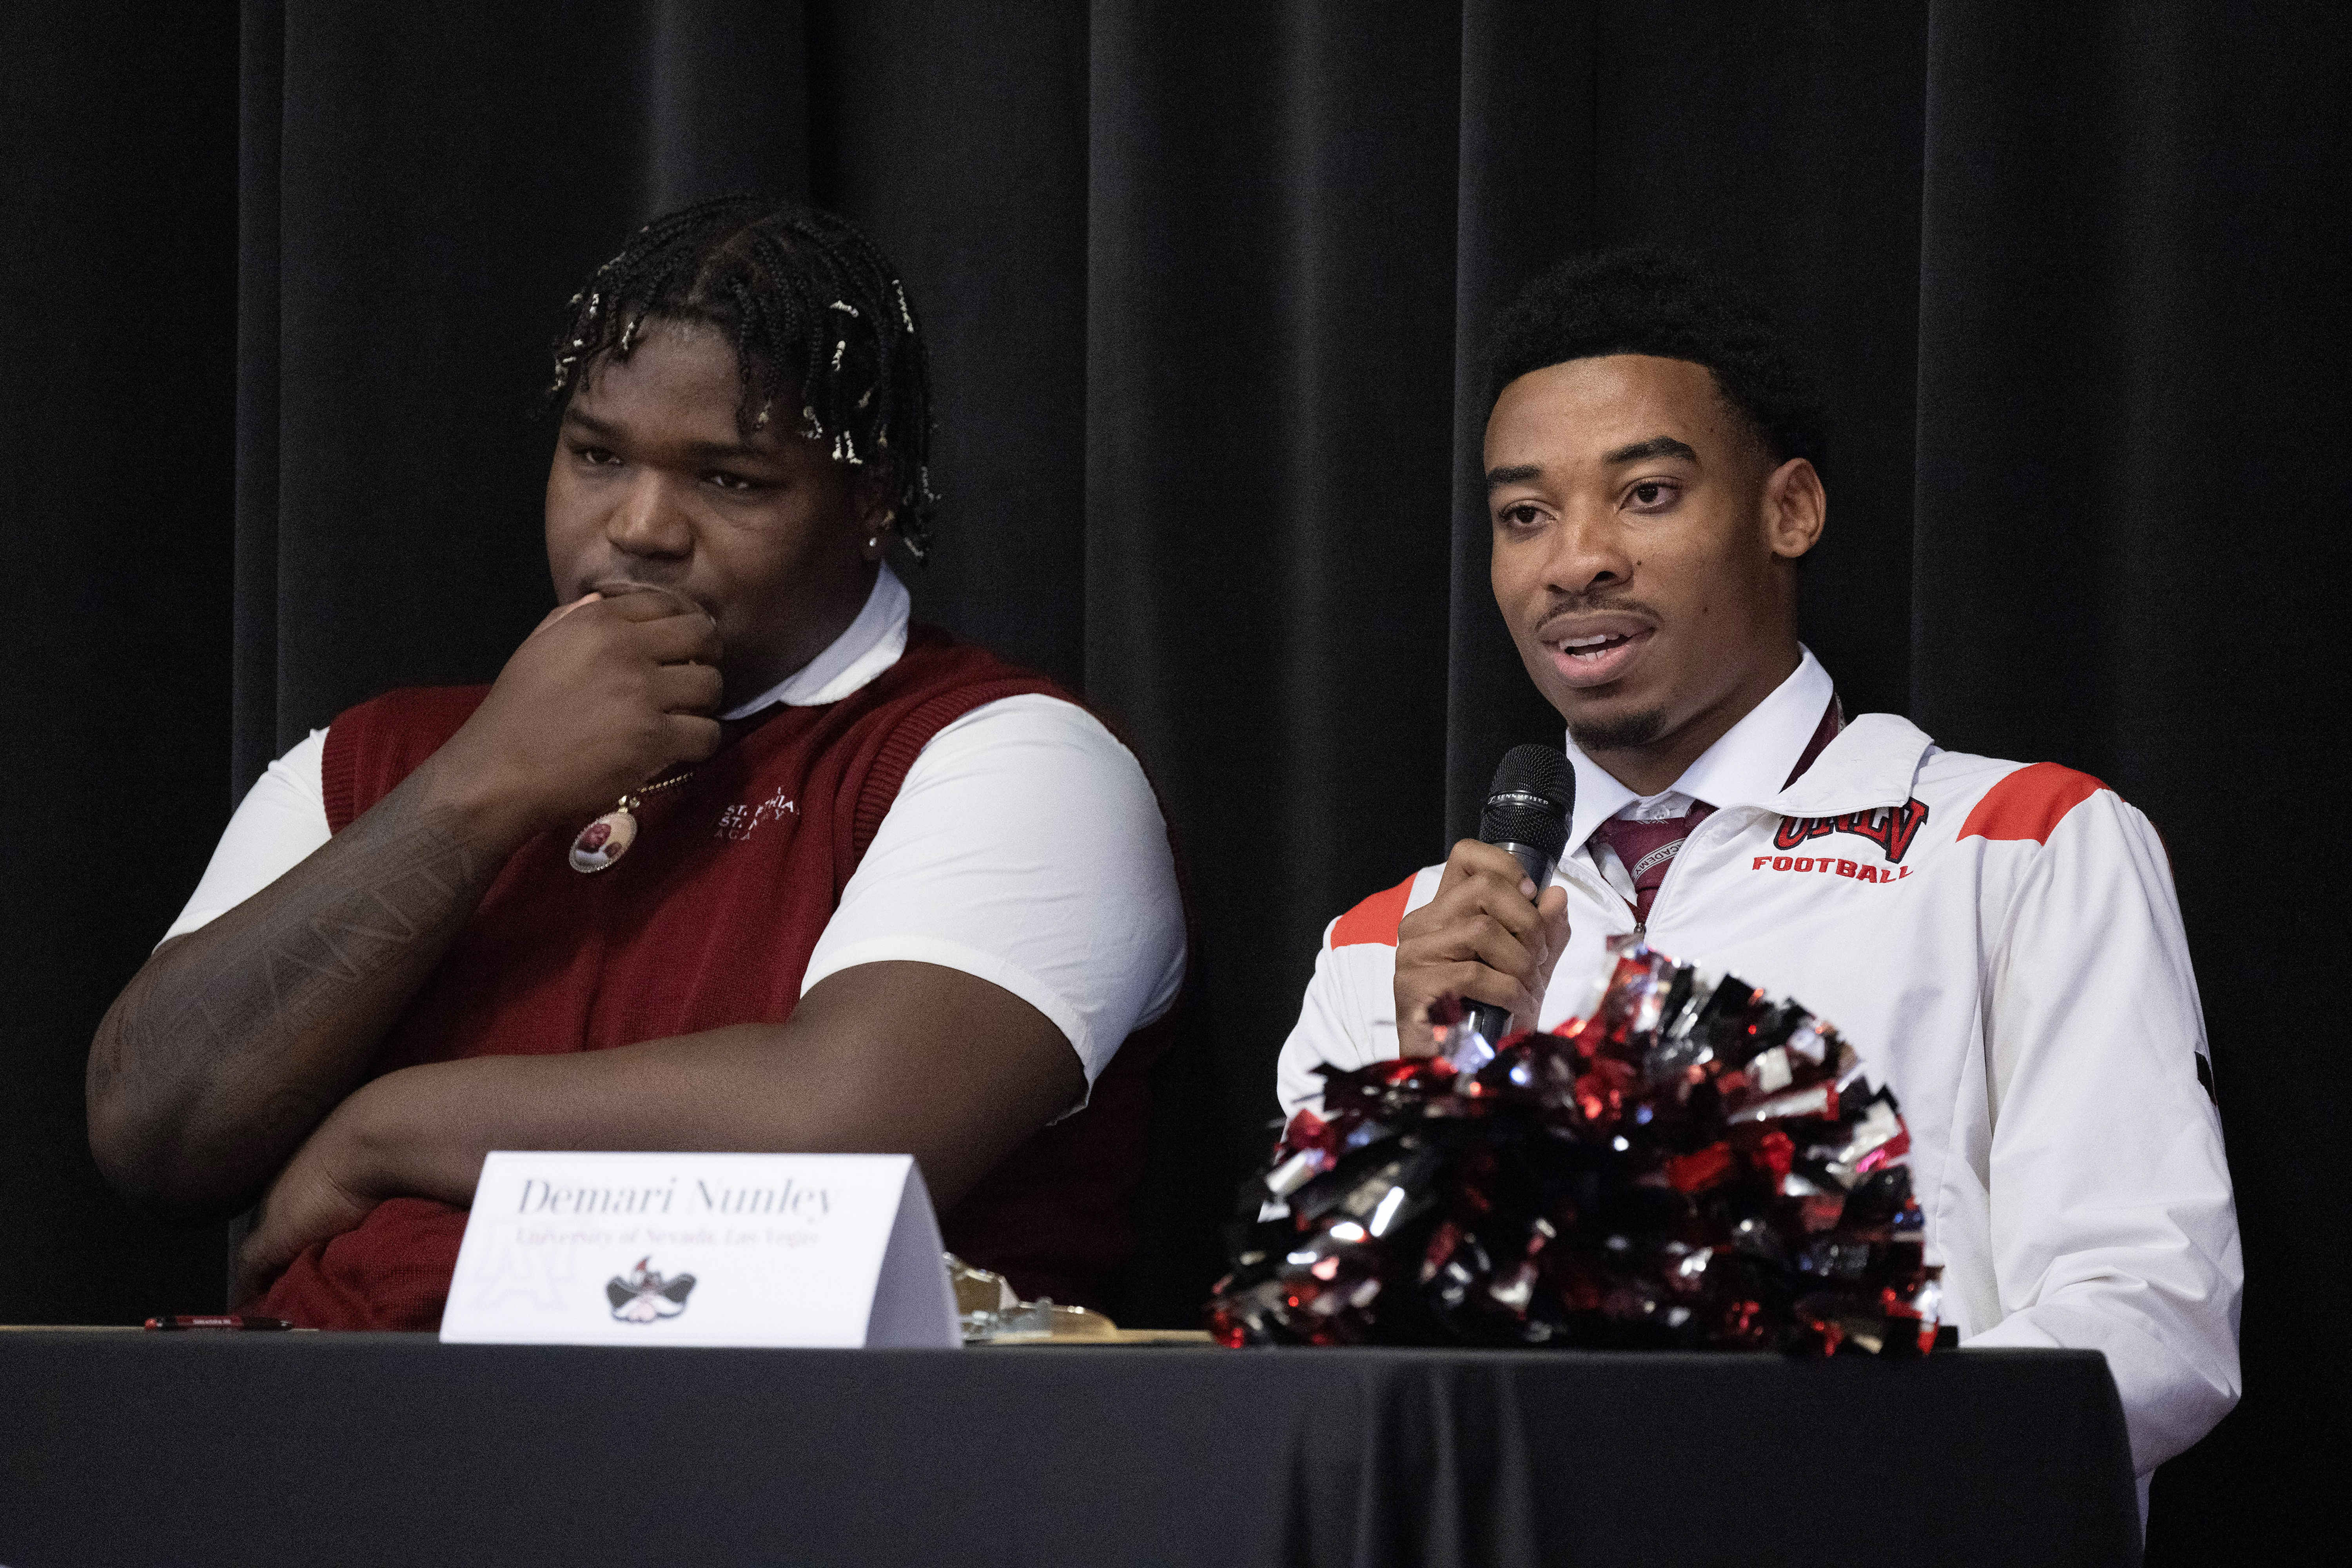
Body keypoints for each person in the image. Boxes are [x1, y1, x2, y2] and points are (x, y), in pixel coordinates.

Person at [88, 196, 1186, 1326]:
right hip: (321, 1407)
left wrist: (381, 1131)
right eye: (597, 455)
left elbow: (841, 1141)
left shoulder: (1008, 755)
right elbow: (152, 1131)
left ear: (872, 501)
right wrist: (478, 789)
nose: (642, 526)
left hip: (769, 1425)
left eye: (730, 479)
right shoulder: (381, 757)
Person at [1276, 250, 2238, 1511]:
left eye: (1648, 494)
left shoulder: (2021, 843)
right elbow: (1320, 1399)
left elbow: (2153, 1321)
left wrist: (1761, 1473)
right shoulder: (1396, 944)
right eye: (1524, 517)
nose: (1576, 562)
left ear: (1790, 511)